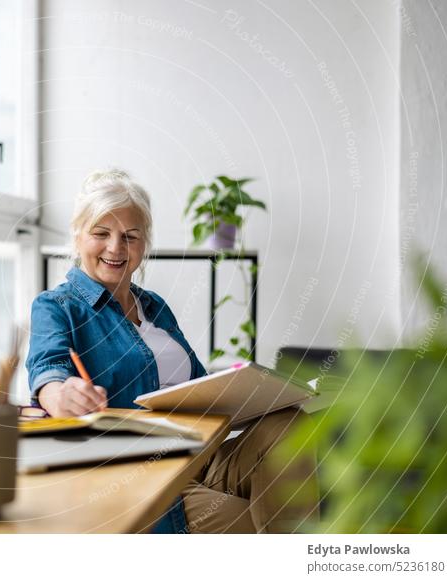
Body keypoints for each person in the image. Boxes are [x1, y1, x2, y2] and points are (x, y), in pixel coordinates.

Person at [25, 169, 319, 533]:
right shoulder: (56, 307)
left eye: (130, 236)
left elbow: (197, 385)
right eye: (101, 234)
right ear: (78, 236)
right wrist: (57, 393)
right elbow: (46, 367)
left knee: (289, 424)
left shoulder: (155, 307)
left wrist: (251, 394)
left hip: (199, 455)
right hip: (145, 477)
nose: (116, 248)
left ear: (144, 243)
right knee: (253, 522)